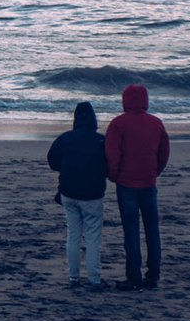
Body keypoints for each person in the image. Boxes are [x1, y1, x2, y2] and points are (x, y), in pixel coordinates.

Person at [105, 83, 170, 291]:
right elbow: (164, 153)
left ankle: (134, 277)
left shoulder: (118, 124)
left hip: (126, 184)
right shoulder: (156, 123)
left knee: (131, 231)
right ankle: (153, 275)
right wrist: (155, 172)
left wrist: (114, 176)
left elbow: (112, 155)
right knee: (152, 230)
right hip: (148, 183)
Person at [47, 101, 108, 290]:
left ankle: (73, 277)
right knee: (92, 237)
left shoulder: (65, 139)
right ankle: (94, 279)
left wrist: (66, 168)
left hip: (68, 192)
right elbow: (109, 165)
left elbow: (52, 161)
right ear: (93, 119)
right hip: (92, 194)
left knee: (73, 234)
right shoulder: (100, 141)